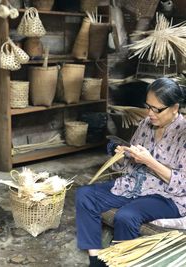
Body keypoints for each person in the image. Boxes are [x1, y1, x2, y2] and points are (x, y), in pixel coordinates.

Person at [75, 77, 186, 267]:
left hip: (167, 197)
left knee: (126, 216)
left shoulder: (183, 134)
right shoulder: (145, 124)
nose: (150, 113)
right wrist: (121, 156)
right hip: (135, 184)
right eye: (148, 106)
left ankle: (123, 262)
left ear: (174, 108)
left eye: (156, 109)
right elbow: (128, 167)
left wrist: (150, 162)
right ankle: (96, 261)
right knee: (84, 195)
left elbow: (182, 184)